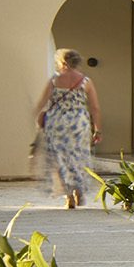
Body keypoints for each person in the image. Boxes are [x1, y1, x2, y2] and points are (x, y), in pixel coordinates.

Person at [34, 49, 100, 210]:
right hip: (78, 124)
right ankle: (79, 190)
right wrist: (97, 129)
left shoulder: (54, 80)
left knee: (60, 159)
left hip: (57, 124)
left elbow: (42, 102)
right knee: (78, 157)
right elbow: (95, 107)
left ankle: (68, 196)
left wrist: (37, 117)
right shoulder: (86, 81)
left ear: (62, 62)